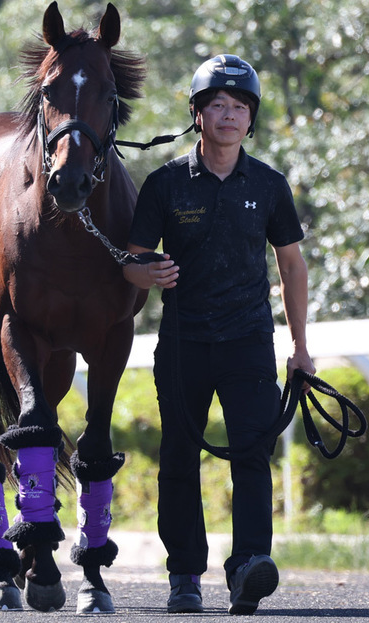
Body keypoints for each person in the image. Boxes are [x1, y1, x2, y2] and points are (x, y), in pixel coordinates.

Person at [122, 54, 315, 615]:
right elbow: (130, 263)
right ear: (196, 114)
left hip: (250, 342)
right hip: (183, 345)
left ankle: (249, 565)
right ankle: (184, 574)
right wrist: (146, 272)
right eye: (217, 106)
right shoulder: (163, 184)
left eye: (238, 107)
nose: (228, 115)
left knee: (252, 453)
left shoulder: (270, 185)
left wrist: (301, 349)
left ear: (250, 120)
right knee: (179, 456)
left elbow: (292, 266)